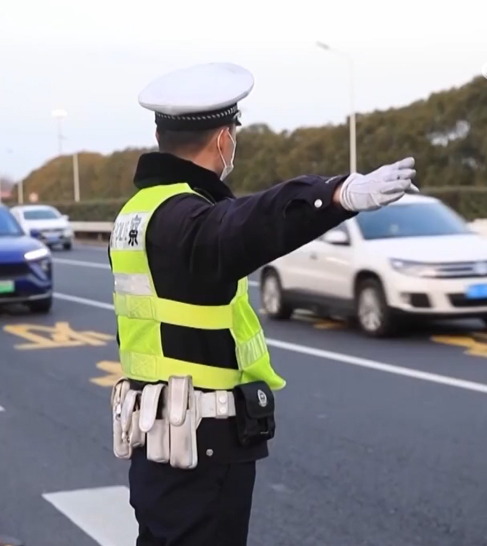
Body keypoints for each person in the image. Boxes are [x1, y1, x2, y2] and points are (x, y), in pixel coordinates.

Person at [108, 62, 418, 546]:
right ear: (223, 140)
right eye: (233, 133)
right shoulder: (185, 218)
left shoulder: (137, 213)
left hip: (157, 440)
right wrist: (336, 194)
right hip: (200, 445)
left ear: (158, 135)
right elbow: (247, 222)